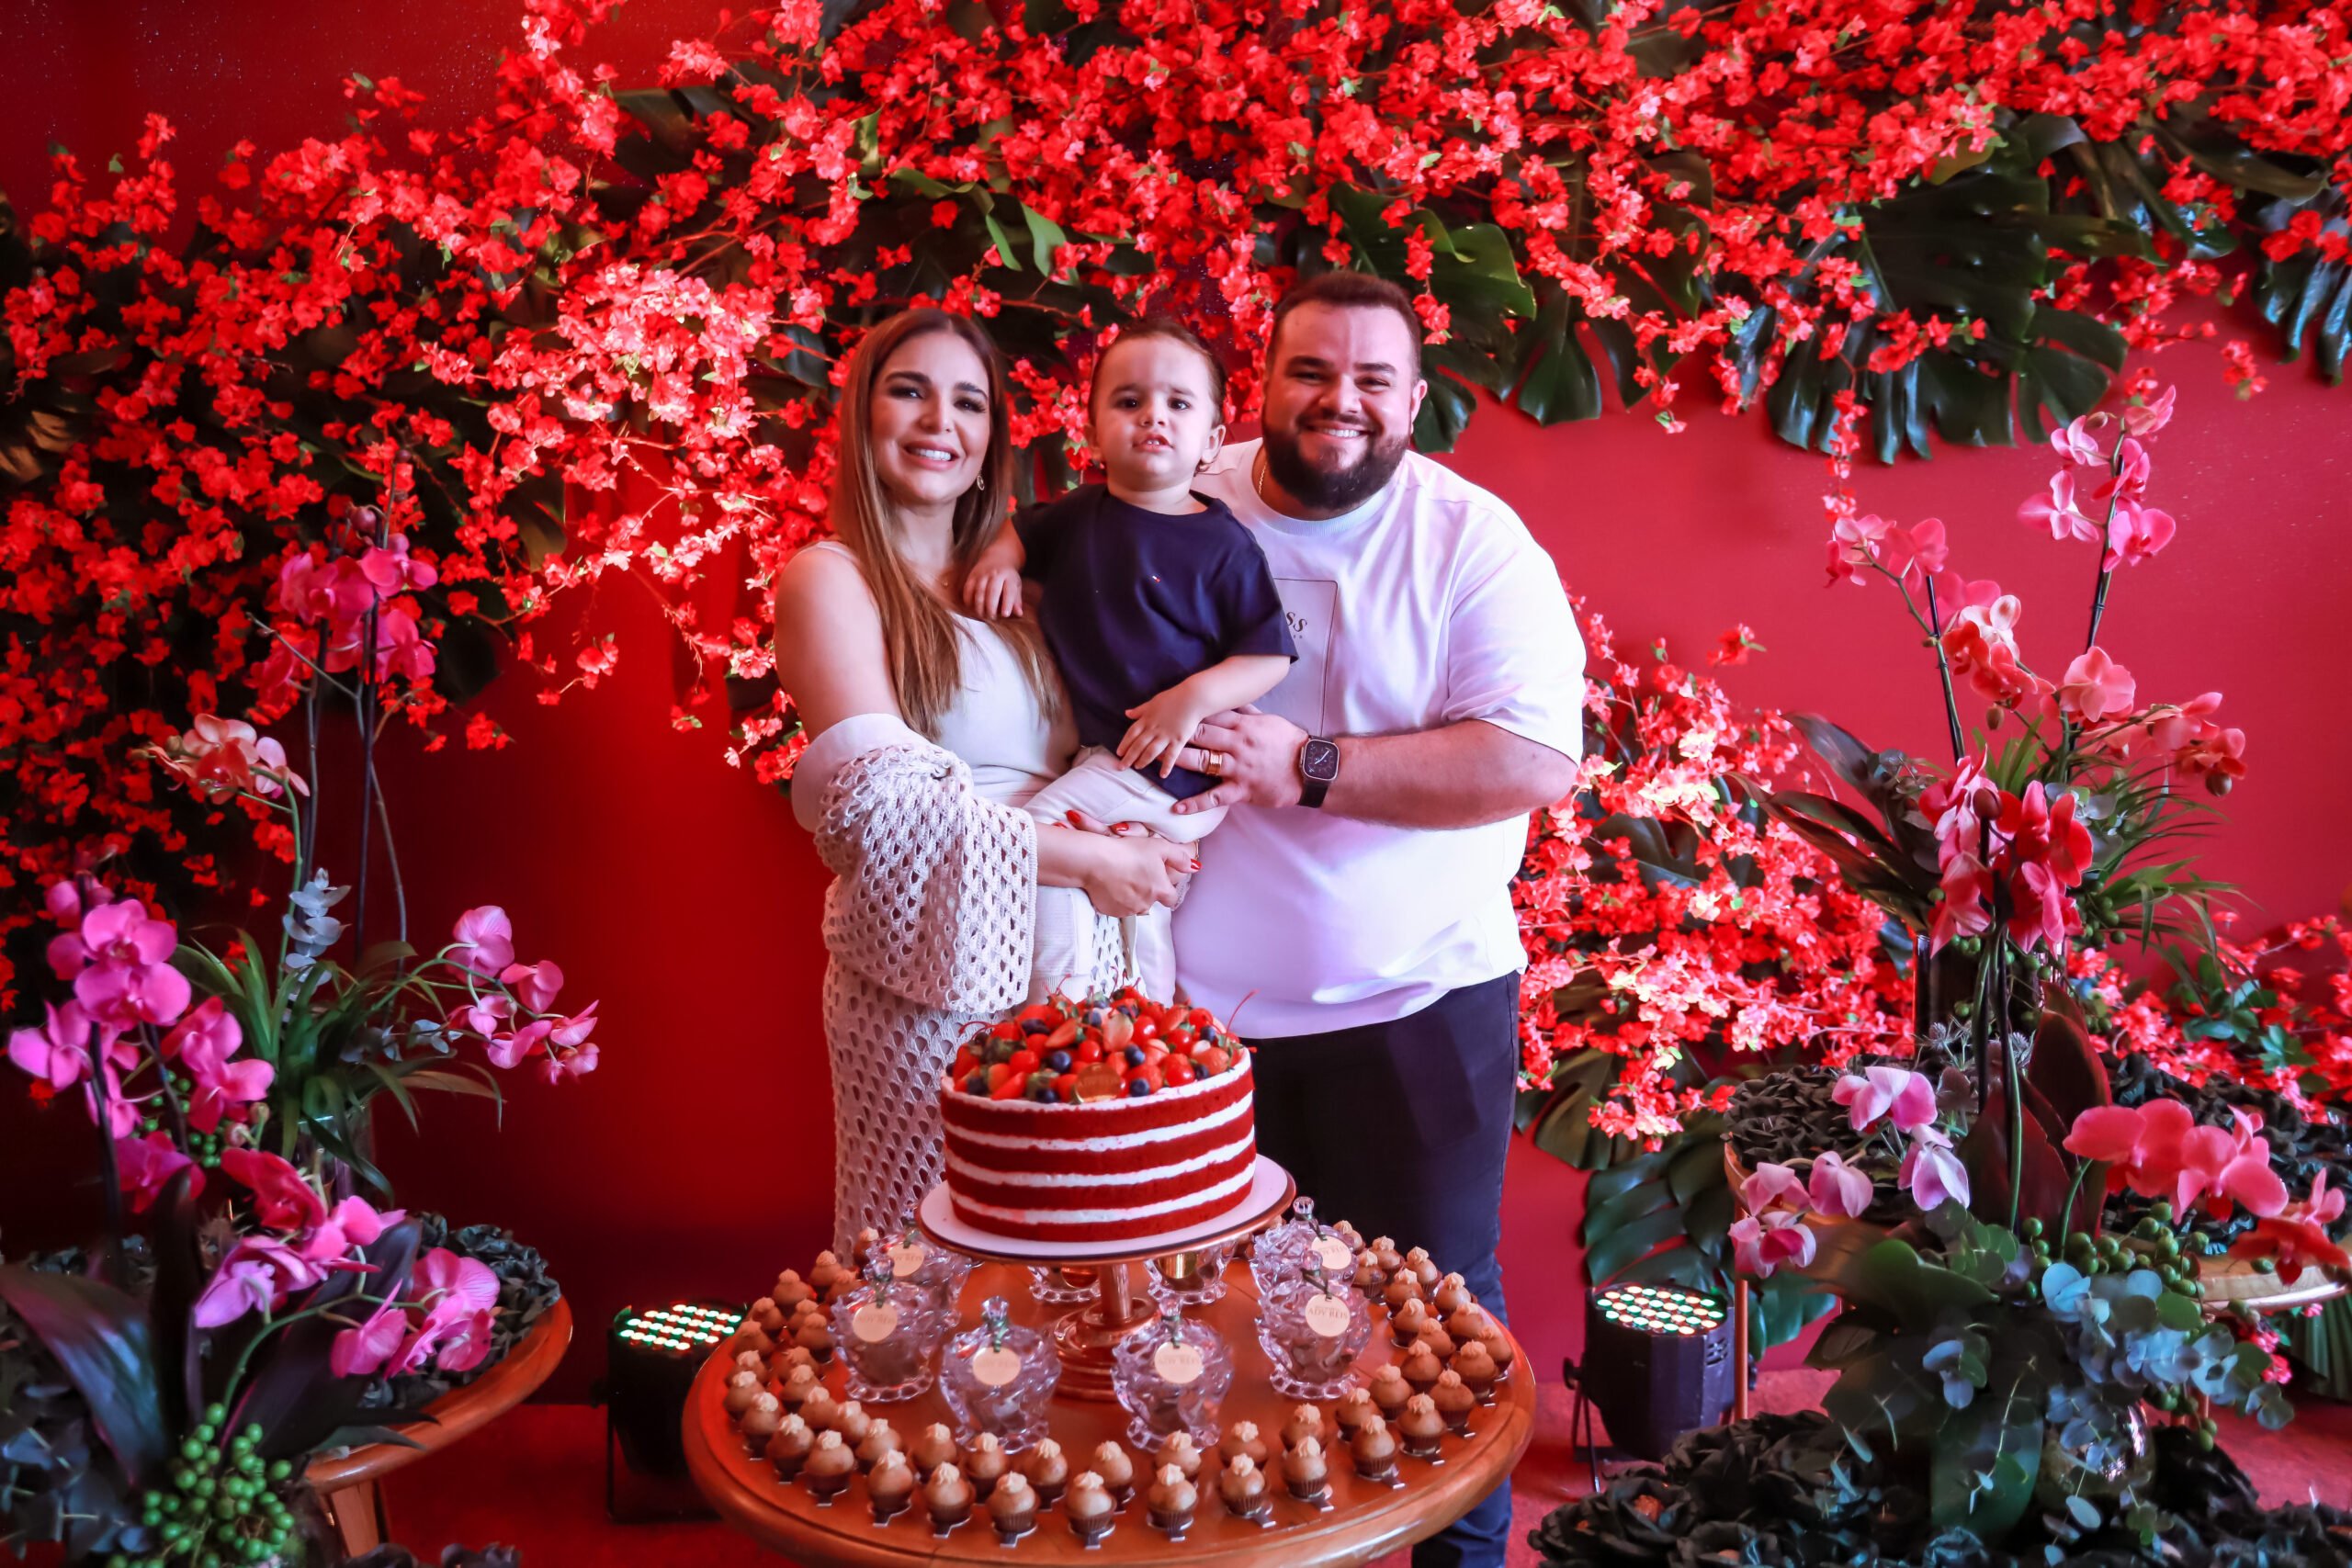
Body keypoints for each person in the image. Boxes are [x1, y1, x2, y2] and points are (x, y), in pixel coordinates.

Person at [1164, 272, 1587, 1568]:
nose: (1337, 400)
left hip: (1418, 1006)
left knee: (1437, 1329)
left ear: (1412, 400)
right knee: (1208, 1342)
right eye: (1310, 371)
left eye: (1370, 379)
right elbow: (1053, 560)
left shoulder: (1472, 538)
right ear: (1264, 381)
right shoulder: (1181, 497)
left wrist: (1311, 766)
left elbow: (1528, 758)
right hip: (1199, 1025)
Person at [770, 308, 1194, 1252]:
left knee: (1087, 1263)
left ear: (994, 438)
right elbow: (880, 812)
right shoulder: (830, 580)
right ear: (862, 414)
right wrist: (1083, 861)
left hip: (1083, 961)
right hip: (929, 988)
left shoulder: (1020, 593)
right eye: (909, 391)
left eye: (968, 402)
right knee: (937, 1268)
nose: (938, 422)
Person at [960, 317, 1295, 1003]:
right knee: (1144, 894)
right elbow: (1017, 533)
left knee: (1039, 840)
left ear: (1212, 440)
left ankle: (1056, 998)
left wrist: (1192, 698)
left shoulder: (1221, 545)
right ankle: (1150, 1008)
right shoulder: (1078, 516)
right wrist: (999, 558)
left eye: (1179, 403)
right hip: (1116, 762)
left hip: (1170, 762)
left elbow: (1268, 656)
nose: (1154, 417)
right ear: (1092, 431)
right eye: (1129, 400)